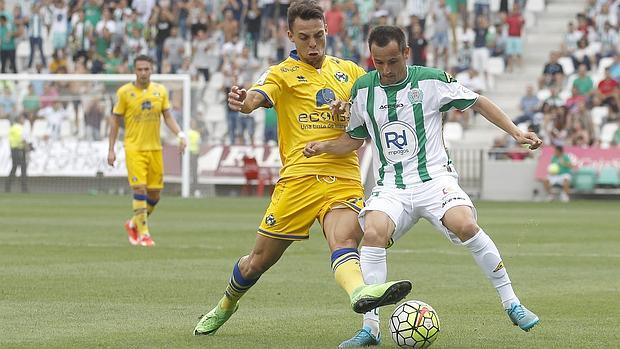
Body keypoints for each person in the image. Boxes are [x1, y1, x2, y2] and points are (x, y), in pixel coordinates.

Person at [304, 26, 542, 347]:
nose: (386, 70)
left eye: (392, 61)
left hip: (434, 180)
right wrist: (323, 147)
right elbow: (353, 139)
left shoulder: (430, 80)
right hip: (391, 186)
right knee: (372, 231)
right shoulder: (363, 90)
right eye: (378, 63)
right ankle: (370, 328)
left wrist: (515, 132)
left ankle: (511, 301)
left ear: (406, 53)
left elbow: (478, 101)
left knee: (465, 224)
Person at [193, 1, 412, 338]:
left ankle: (359, 293)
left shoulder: (350, 72)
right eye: (305, 38)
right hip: (298, 180)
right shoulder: (280, 73)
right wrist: (244, 102)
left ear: (327, 32)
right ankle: (226, 303)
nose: (313, 45)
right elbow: (256, 96)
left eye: (319, 36)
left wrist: (350, 106)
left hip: (342, 176)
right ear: (290, 36)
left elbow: (371, 113)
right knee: (257, 262)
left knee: (344, 239)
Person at [107, 54, 187, 247]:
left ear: (152, 70)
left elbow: (167, 116)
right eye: (139, 69)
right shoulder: (124, 92)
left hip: (154, 149)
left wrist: (180, 134)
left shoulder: (160, 91)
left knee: (155, 195)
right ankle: (144, 233)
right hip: (134, 148)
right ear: (134, 71)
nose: (143, 72)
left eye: (146, 69)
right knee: (139, 188)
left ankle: (133, 223)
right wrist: (111, 149)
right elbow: (115, 122)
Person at [5, 114, 30, 193]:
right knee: (23, 168)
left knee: (14, 168)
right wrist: (27, 147)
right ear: (19, 119)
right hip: (19, 150)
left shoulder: (13, 128)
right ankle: (24, 188)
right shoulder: (19, 128)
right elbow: (22, 139)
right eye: (23, 119)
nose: (24, 121)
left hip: (14, 150)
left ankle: (8, 187)